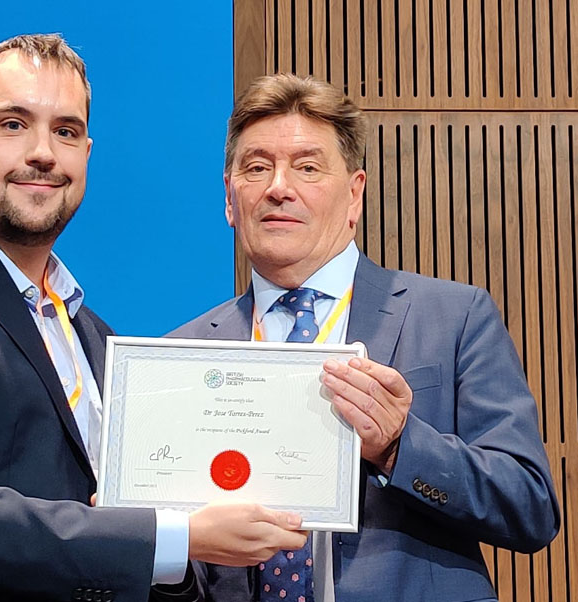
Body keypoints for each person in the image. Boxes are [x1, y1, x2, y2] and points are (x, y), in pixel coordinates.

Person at [0, 34, 307, 602]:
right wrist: (179, 536)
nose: (43, 153)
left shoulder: (95, 336)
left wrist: (177, 560)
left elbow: (113, 538)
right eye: (13, 124)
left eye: (66, 132)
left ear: (86, 156)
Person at [170, 73, 560, 602]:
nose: (278, 187)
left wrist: (400, 445)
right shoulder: (188, 352)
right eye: (256, 168)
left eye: (307, 167)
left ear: (354, 195)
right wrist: (158, 543)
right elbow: (185, 575)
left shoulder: (455, 317)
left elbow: (530, 507)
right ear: (230, 198)